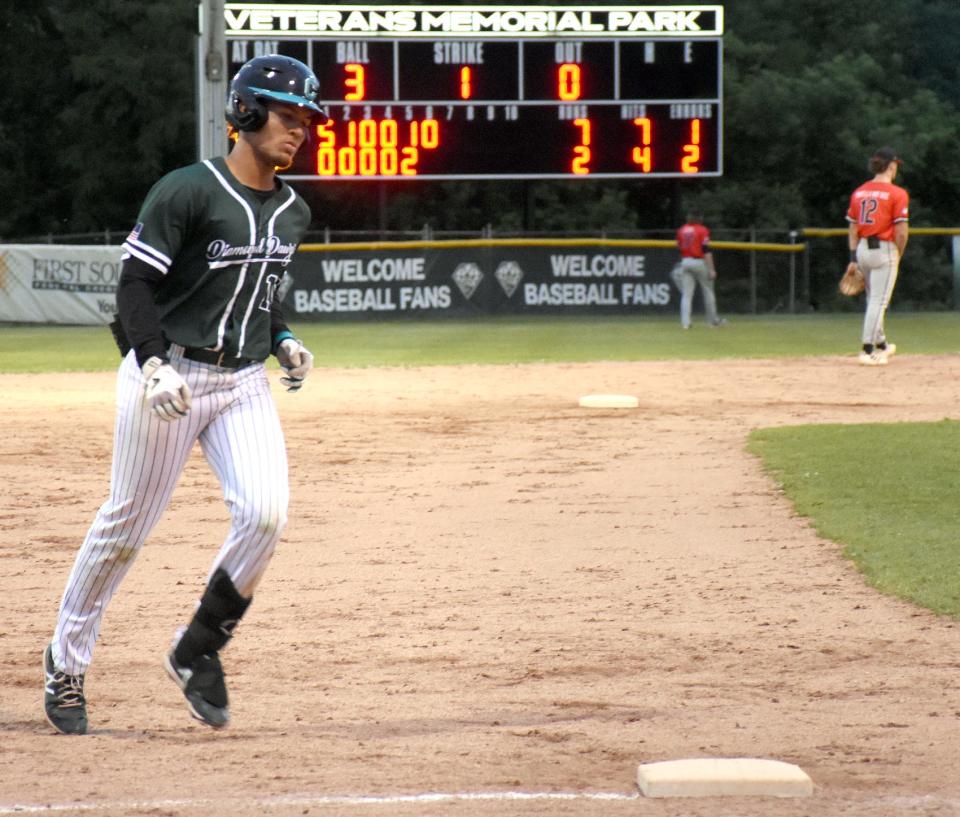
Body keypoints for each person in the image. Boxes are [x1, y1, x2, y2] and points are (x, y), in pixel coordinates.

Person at [42, 55, 326, 735]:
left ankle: (197, 647)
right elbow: (135, 287)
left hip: (242, 381)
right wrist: (149, 364)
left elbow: (257, 297)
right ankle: (66, 661)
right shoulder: (186, 190)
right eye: (287, 117)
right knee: (125, 527)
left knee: (265, 511)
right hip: (166, 376)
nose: (299, 132)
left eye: (306, 122)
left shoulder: (293, 210)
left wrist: (282, 336)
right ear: (247, 114)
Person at [845, 146, 909, 366]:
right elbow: (901, 231)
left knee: (873, 299)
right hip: (885, 249)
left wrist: (853, 258)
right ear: (891, 166)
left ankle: (881, 344)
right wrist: (898, 254)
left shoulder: (859, 191)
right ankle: (867, 349)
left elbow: (853, 229)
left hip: (863, 249)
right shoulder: (897, 193)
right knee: (879, 301)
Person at [674, 212, 725, 329]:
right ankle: (713, 321)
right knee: (708, 292)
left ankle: (685, 323)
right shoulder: (702, 230)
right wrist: (711, 269)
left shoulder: (681, 230)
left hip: (685, 261)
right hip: (698, 261)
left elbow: (678, 246)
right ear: (699, 219)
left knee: (686, 295)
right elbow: (705, 250)